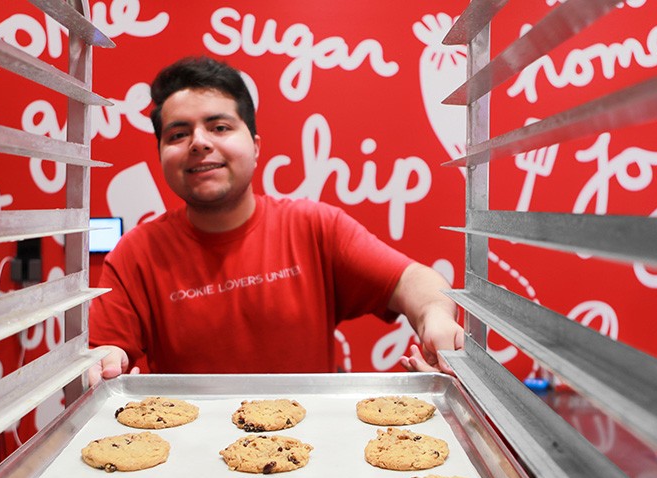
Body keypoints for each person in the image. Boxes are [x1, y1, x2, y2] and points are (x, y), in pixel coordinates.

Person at [87, 56, 463, 383]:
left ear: (255, 146)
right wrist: (102, 362)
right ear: (161, 155)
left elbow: (413, 279)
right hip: (185, 449)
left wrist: (434, 314)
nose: (199, 142)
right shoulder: (135, 254)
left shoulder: (314, 227)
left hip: (302, 447)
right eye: (178, 134)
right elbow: (105, 348)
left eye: (219, 127)